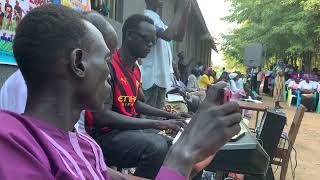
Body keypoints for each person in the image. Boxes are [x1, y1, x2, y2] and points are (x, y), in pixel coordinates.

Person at [0, 5, 242, 179]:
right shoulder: (13, 144)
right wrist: (182, 153)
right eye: (105, 58)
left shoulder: (86, 146)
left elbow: (131, 102)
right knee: (157, 146)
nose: (109, 70)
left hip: (109, 133)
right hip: (109, 132)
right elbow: (113, 111)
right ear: (78, 63)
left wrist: (190, 157)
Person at [90, 14, 191, 179]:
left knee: (173, 144)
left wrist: (170, 116)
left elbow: (133, 102)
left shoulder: (135, 70)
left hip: (124, 131)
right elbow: (102, 117)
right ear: (129, 35)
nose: (151, 44)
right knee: (156, 146)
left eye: (153, 40)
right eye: (146, 39)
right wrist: (157, 123)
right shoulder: (110, 66)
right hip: (104, 136)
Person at [141, 0, 191, 110]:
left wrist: (185, 13)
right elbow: (168, 35)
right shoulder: (147, 19)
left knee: (156, 119)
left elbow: (179, 37)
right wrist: (180, 9)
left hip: (160, 79)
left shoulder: (159, 22)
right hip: (151, 79)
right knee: (149, 118)